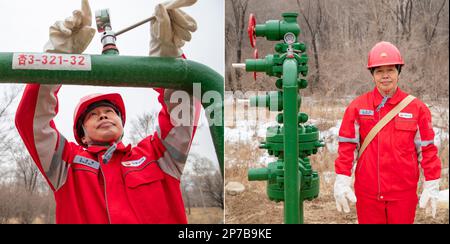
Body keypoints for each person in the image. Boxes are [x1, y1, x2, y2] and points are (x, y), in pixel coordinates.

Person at [15, 0, 202, 224]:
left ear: (122, 125)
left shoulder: (158, 156)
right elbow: (31, 121)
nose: (103, 115)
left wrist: (169, 62)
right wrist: (57, 58)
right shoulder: (67, 165)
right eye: (92, 115)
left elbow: (184, 114)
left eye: (109, 112)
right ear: (81, 135)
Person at [333, 41, 442, 224]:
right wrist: (342, 179)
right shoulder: (357, 107)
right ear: (372, 75)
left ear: (398, 72)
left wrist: (432, 183)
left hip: (403, 196)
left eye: (390, 70)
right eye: (379, 71)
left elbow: (428, 150)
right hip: (368, 195)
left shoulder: (417, 108)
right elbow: (347, 147)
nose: (385, 76)